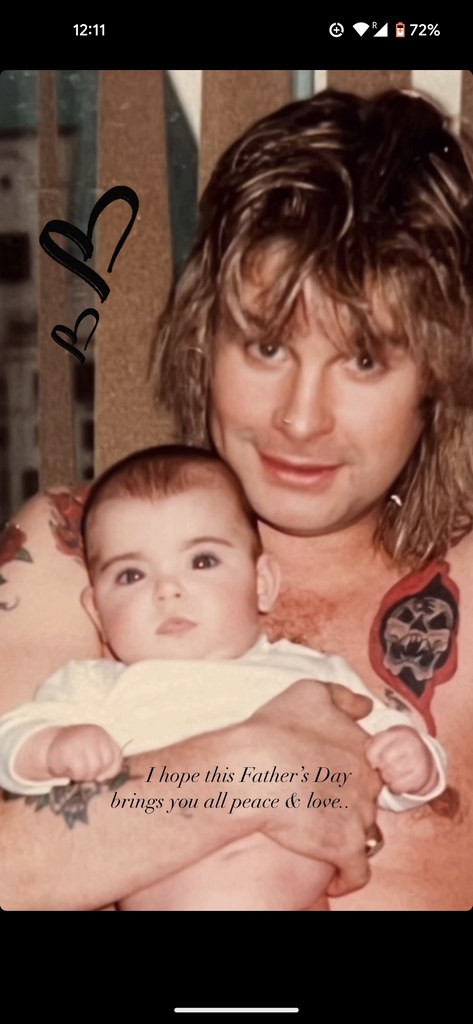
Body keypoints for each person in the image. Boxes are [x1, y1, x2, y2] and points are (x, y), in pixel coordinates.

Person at [1, 85, 472, 912]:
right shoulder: (74, 556)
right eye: (265, 346)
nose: (299, 417)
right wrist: (246, 772)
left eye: (362, 361)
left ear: (436, 378)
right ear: (202, 336)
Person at [0, 446, 446, 911]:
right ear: (97, 610)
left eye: (202, 561)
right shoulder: (95, 687)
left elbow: (384, 755)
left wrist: (414, 763)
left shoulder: (313, 674)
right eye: (131, 575)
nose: (167, 589)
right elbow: (12, 741)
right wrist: (51, 748)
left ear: (262, 584)